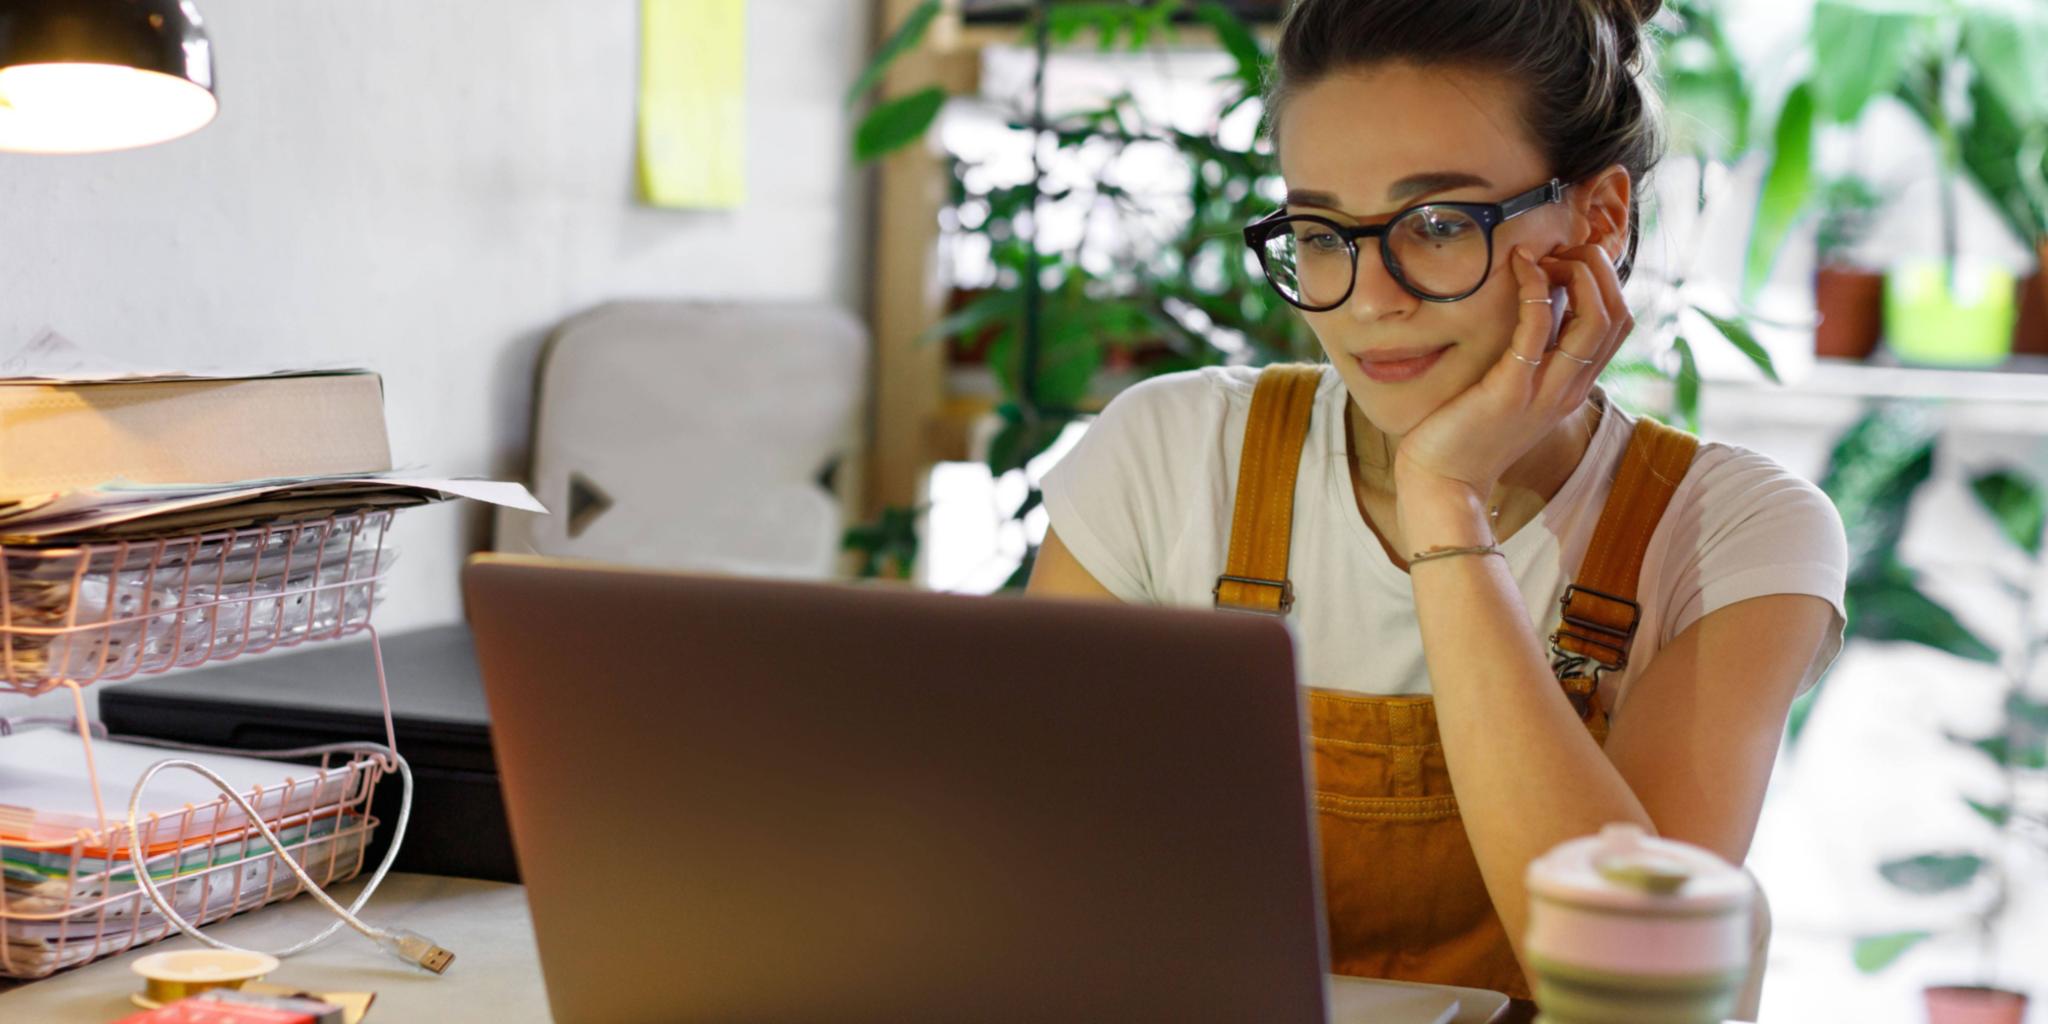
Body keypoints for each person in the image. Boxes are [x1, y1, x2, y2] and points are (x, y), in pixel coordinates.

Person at [1027, 0, 1849, 1002]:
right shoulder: (1170, 453)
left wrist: (1444, 499)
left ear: (1597, 217)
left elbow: (1637, 979)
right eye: (1322, 232)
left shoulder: (1732, 533)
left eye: (1435, 224)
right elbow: (1033, 874)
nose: (1369, 298)